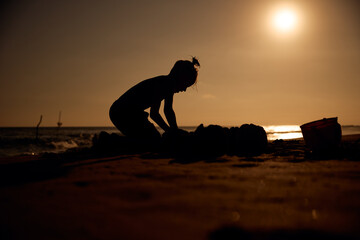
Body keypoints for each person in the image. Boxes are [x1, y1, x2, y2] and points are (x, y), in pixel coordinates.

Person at [109, 57, 200, 141]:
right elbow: (165, 111)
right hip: (123, 112)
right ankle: (109, 140)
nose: (184, 90)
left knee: (148, 138)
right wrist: (172, 131)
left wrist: (171, 131)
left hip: (125, 112)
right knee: (152, 139)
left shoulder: (165, 83)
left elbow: (157, 113)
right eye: (186, 85)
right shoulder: (167, 84)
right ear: (181, 77)